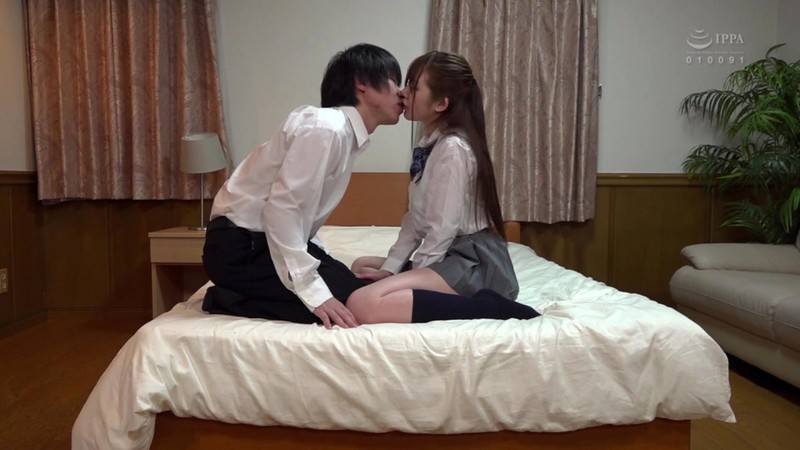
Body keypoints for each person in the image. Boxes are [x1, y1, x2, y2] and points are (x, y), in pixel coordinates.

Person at [201, 43, 404, 329]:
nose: (401, 93)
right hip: (240, 249)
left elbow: (301, 218)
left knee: (358, 292)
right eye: (394, 81)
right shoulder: (326, 127)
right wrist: (313, 290)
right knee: (349, 303)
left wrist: (323, 263)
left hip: (262, 243)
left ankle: (250, 291)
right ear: (362, 83)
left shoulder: (341, 134)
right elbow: (284, 208)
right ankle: (224, 298)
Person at [346, 51, 539, 324]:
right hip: (449, 254)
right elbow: (415, 221)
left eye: (414, 87)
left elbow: (442, 228)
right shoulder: (431, 145)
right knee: (362, 266)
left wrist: (415, 280)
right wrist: (390, 270)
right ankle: (430, 289)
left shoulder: (452, 148)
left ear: (441, 104)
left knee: (363, 302)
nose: (403, 93)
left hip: (472, 262)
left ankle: (493, 308)